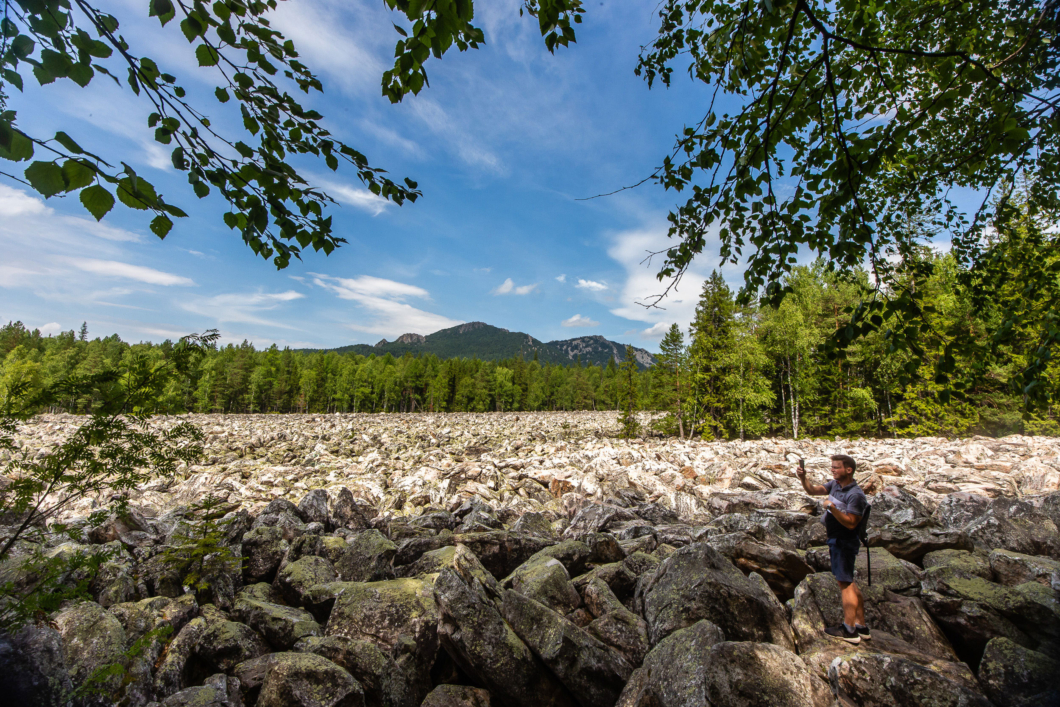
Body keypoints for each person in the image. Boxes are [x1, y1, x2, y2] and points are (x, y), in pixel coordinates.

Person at [797, 454, 870, 644]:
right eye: (832, 467)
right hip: (836, 539)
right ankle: (861, 626)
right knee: (849, 581)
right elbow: (813, 490)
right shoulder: (835, 485)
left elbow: (852, 523)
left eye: (836, 467)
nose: (833, 470)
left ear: (848, 470)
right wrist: (803, 478)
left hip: (844, 541)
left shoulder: (855, 495)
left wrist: (831, 507)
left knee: (845, 583)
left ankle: (849, 629)